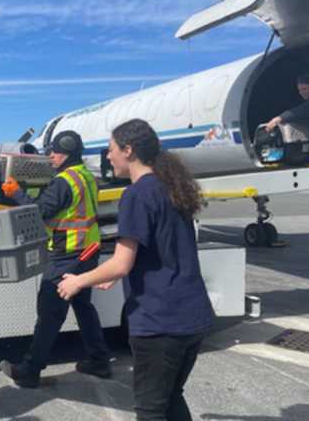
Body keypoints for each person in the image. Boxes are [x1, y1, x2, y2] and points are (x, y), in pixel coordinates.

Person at [58, 119, 215, 421]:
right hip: (192, 316)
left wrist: (79, 280)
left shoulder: (136, 194)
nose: (108, 156)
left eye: (111, 149)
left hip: (160, 322)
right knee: (170, 398)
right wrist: (114, 276)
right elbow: (157, 253)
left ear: (128, 150)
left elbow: (121, 262)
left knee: (150, 410)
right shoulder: (171, 187)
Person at [0, 130, 111, 388]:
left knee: (50, 311)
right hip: (88, 250)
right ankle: (99, 360)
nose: (50, 156)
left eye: (54, 151)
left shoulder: (63, 181)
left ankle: (30, 369)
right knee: (84, 307)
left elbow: (39, 213)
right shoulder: (86, 176)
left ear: (67, 151)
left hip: (67, 254)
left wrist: (16, 192)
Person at [265, 72, 309, 137]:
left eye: (304, 89)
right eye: (299, 90)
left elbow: (306, 109)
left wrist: (279, 118)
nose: (301, 93)